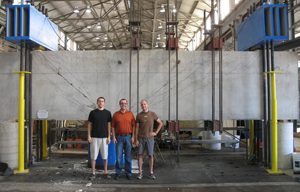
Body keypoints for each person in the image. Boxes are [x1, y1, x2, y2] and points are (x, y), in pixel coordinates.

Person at [135, 100, 163, 180]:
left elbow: (160, 123)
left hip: (150, 138)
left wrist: (156, 132)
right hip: (141, 138)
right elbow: (136, 128)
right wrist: (136, 139)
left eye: (144, 104)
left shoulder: (152, 114)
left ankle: (151, 172)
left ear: (147, 105)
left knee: (150, 155)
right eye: (142, 104)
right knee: (140, 155)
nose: (143, 106)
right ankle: (140, 172)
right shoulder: (139, 116)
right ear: (141, 106)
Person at [87, 97, 112, 180]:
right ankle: (93, 173)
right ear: (97, 103)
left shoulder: (108, 113)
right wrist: (89, 136)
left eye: (102, 101)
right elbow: (89, 124)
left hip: (104, 138)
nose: (101, 103)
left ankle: (105, 172)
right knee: (93, 156)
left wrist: (109, 136)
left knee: (105, 156)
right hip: (94, 137)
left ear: (104, 103)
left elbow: (109, 125)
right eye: (99, 101)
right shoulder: (92, 113)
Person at [112, 98, 136, 180]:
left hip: (128, 137)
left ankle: (128, 173)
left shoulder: (130, 114)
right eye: (122, 103)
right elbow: (112, 126)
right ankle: (118, 173)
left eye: (125, 103)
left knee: (128, 157)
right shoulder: (116, 114)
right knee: (118, 157)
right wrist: (114, 137)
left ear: (127, 105)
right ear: (120, 104)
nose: (123, 105)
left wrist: (133, 137)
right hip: (118, 137)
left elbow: (134, 126)